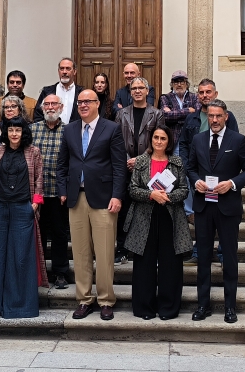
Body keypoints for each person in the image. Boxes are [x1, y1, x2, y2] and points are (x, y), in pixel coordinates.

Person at [57, 89, 126, 321]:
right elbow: (62, 163)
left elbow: (119, 166)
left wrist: (117, 195)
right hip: (77, 198)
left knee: (105, 252)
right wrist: (63, 190)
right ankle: (84, 299)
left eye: (88, 101)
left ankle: (106, 300)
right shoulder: (70, 129)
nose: (83, 105)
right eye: (80, 102)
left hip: (104, 198)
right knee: (80, 252)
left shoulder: (112, 129)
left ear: (98, 103)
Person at [187, 99, 245, 324]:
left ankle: (229, 307)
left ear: (226, 116)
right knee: (204, 257)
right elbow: (190, 167)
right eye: (211, 116)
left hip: (228, 207)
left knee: (229, 257)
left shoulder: (238, 140)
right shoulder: (198, 140)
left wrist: (232, 183)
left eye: (219, 116)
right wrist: (196, 181)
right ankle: (203, 305)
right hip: (204, 206)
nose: (214, 120)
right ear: (207, 116)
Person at [0, 116, 48, 318]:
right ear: (6, 133)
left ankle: (21, 306)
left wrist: (34, 204)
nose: (14, 134)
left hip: (22, 208)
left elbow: (39, 180)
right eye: (11, 130)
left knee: (20, 257)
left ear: (23, 132)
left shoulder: (33, 152)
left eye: (18, 130)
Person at [124, 125, 192, 320]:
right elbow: (133, 189)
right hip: (144, 217)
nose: (159, 142)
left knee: (170, 264)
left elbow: (184, 190)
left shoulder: (177, 162)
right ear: (151, 140)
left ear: (168, 141)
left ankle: (168, 308)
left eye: (163, 138)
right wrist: (151, 194)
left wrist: (167, 197)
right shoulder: (141, 162)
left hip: (170, 217)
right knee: (144, 264)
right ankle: (144, 308)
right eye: (156, 138)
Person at [179, 79, 239, 266]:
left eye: (208, 92)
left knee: (224, 215)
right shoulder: (192, 118)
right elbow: (183, 144)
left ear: (215, 94)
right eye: (202, 92)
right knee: (202, 215)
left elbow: (235, 143)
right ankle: (200, 252)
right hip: (200, 176)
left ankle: (222, 254)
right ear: (198, 96)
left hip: (222, 177)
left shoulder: (229, 117)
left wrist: (231, 175)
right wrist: (189, 168)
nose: (205, 95)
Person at [114, 77, 164, 264]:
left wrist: (141, 160)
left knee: (146, 210)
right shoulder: (121, 114)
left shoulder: (157, 114)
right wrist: (128, 160)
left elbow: (159, 140)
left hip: (148, 168)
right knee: (124, 210)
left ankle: (146, 248)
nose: (137, 91)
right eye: (133, 88)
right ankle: (123, 248)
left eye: (140, 88)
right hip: (125, 168)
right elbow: (117, 141)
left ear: (147, 91)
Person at [29, 94, 70, 289]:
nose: (51, 107)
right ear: (42, 107)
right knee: (39, 233)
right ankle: (39, 272)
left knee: (60, 234)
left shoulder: (69, 131)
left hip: (59, 192)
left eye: (54, 104)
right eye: (47, 104)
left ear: (61, 107)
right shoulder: (33, 129)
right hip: (37, 193)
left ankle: (60, 273)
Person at [159, 70, 198, 155]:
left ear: (187, 84)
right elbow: (166, 116)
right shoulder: (165, 97)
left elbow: (196, 115)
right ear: (172, 84)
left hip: (191, 139)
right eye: (176, 82)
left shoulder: (194, 97)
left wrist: (174, 115)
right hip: (173, 140)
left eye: (182, 82)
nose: (179, 84)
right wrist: (188, 111)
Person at [34, 58, 84, 124]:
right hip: (51, 132)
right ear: (58, 71)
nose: (64, 72)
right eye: (62, 69)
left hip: (75, 132)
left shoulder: (82, 92)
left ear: (74, 71)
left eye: (68, 69)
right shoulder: (47, 92)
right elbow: (38, 115)